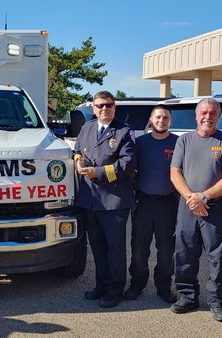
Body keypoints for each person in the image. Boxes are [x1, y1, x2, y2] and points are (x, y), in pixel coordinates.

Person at [169, 98, 222, 323]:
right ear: (196, 116)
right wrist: (192, 198)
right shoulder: (184, 140)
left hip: (216, 207)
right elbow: (175, 172)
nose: (208, 117)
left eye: (212, 113)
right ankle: (187, 296)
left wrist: (204, 196)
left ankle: (217, 301)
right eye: (204, 113)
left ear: (218, 116)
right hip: (187, 206)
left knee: (217, 257)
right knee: (185, 253)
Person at [73, 90, 137, 308]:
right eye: (99, 105)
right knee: (98, 247)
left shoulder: (124, 132)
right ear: (93, 108)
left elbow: (127, 165)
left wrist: (97, 173)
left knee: (114, 248)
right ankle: (101, 285)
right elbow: (77, 150)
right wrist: (78, 161)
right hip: (90, 200)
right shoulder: (87, 128)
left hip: (114, 201)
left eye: (108, 105)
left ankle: (115, 290)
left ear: (114, 107)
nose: (104, 109)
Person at [124, 104, 178, 304]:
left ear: (170, 120)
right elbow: (128, 168)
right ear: (151, 119)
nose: (161, 121)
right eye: (157, 117)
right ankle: (137, 284)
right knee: (139, 247)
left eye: (165, 118)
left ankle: (163, 286)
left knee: (166, 249)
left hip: (168, 203)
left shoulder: (178, 143)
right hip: (143, 202)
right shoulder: (139, 143)